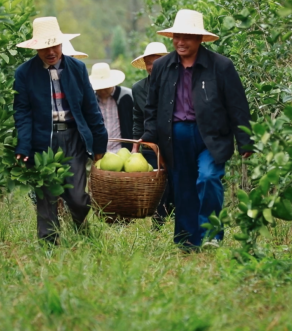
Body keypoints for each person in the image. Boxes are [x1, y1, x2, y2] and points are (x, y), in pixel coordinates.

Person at [137, 9, 253, 250]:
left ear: (200, 39)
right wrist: (149, 137)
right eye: (177, 36)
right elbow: (152, 105)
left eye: (187, 37)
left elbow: (237, 105)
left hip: (211, 135)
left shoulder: (220, 66)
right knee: (183, 186)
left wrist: (245, 140)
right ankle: (187, 241)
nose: (181, 42)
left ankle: (211, 234)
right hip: (175, 136)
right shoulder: (162, 67)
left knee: (209, 178)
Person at [13, 16, 107, 244]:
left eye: (54, 45)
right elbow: (23, 113)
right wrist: (24, 146)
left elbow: (90, 109)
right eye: (45, 47)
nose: (50, 51)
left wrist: (99, 143)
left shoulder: (77, 69)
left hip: (72, 137)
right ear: (37, 48)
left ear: (61, 44)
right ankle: (48, 243)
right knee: (46, 195)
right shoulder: (24, 73)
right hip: (43, 139)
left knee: (77, 196)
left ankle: (80, 226)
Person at [130, 42, 174, 225]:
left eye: (157, 62)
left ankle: (173, 217)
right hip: (151, 144)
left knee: (174, 184)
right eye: (149, 63)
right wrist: (135, 146)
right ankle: (158, 222)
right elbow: (138, 119)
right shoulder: (139, 89)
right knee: (157, 184)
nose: (152, 67)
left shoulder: (176, 83)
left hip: (173, 141)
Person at [88, 63, 133, 152]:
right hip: (99, 152)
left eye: (106, 87)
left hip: (123, 151)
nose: (103, 90)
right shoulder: (90, 100)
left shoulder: (127, 96)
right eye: (99, 88)